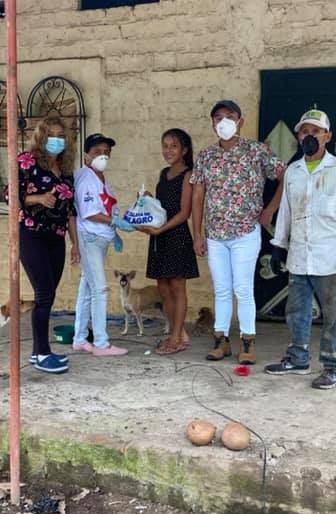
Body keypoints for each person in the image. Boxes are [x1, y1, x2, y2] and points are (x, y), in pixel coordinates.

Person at [264, 108, 336, 390]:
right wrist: (278, 245)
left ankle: (332, 366)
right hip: (300, 254)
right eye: (304, 131)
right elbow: (286, 211)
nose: (309, 136)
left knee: (332, 315)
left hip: (330, 256)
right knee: (296, 311)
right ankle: (298, 359)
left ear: (328, 136)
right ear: (298, 137)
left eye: (315, 131)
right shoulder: (293, 172)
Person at [190, 99, 284, 365]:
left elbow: (284, 176)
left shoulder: (256, 151)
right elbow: (198, 196)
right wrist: (197, 234)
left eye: (230, 116)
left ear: (240, 121)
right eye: (218, 117)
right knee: (221, 290)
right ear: (212, 124)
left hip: (245, 232)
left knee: (243, 289)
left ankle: (247, 342)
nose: (224, 122)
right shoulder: (206, 156)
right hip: (215, 235)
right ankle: (220, 342)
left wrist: (270, 209)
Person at [11, 117, 78, 375]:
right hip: (32, 234)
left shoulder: (66, 169)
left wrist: (75, 244)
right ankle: (41, 353)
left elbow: (70, 210)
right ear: (41, 137)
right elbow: (10, 194)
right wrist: (38, 198)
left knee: (48, 295)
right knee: (44, 294)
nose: (56, 140)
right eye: (51, 135)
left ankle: (39, 351)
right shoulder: (26, 162)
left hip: (56, 237)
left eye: (61, 135)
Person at [136, 128, 199, 355]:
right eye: (165, 146)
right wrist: (148, 201)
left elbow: (184, 213)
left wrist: (160, 229)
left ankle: (176, 337)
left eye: (174, 146)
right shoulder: (164, 173)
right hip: (159, 237)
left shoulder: (188, 175)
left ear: (184, 150)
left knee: (177, 287)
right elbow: (163, 207)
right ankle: (177, 332)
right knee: (163, 287)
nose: (168, 150)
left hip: (176, 235)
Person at [72, 133, 133, 357]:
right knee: (101, 290)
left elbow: (106, 207)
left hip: (99, 238)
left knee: (87, 289)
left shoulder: (100, 177)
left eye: (107, 152)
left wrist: (113, 232)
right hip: (90, 238)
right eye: (97, 152)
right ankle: (100, 343)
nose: (103, 155)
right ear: (86, 156)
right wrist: (114, 223)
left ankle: (80, 339)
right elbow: (89, 213)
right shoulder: (86, 178)